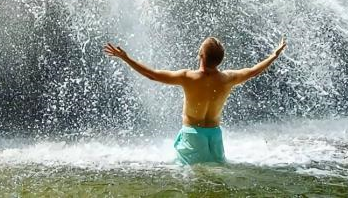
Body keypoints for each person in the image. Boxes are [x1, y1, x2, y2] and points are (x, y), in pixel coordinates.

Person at [103, 35, 287, 165]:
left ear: (200, 56)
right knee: (214, 177)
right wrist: (274, 55)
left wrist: (126, 58)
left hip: (193, 135)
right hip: (215, 136)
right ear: (220, 60)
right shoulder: (228, 78)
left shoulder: (188, 77)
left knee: (188, 179)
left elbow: (152, 75)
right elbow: (254, 71)